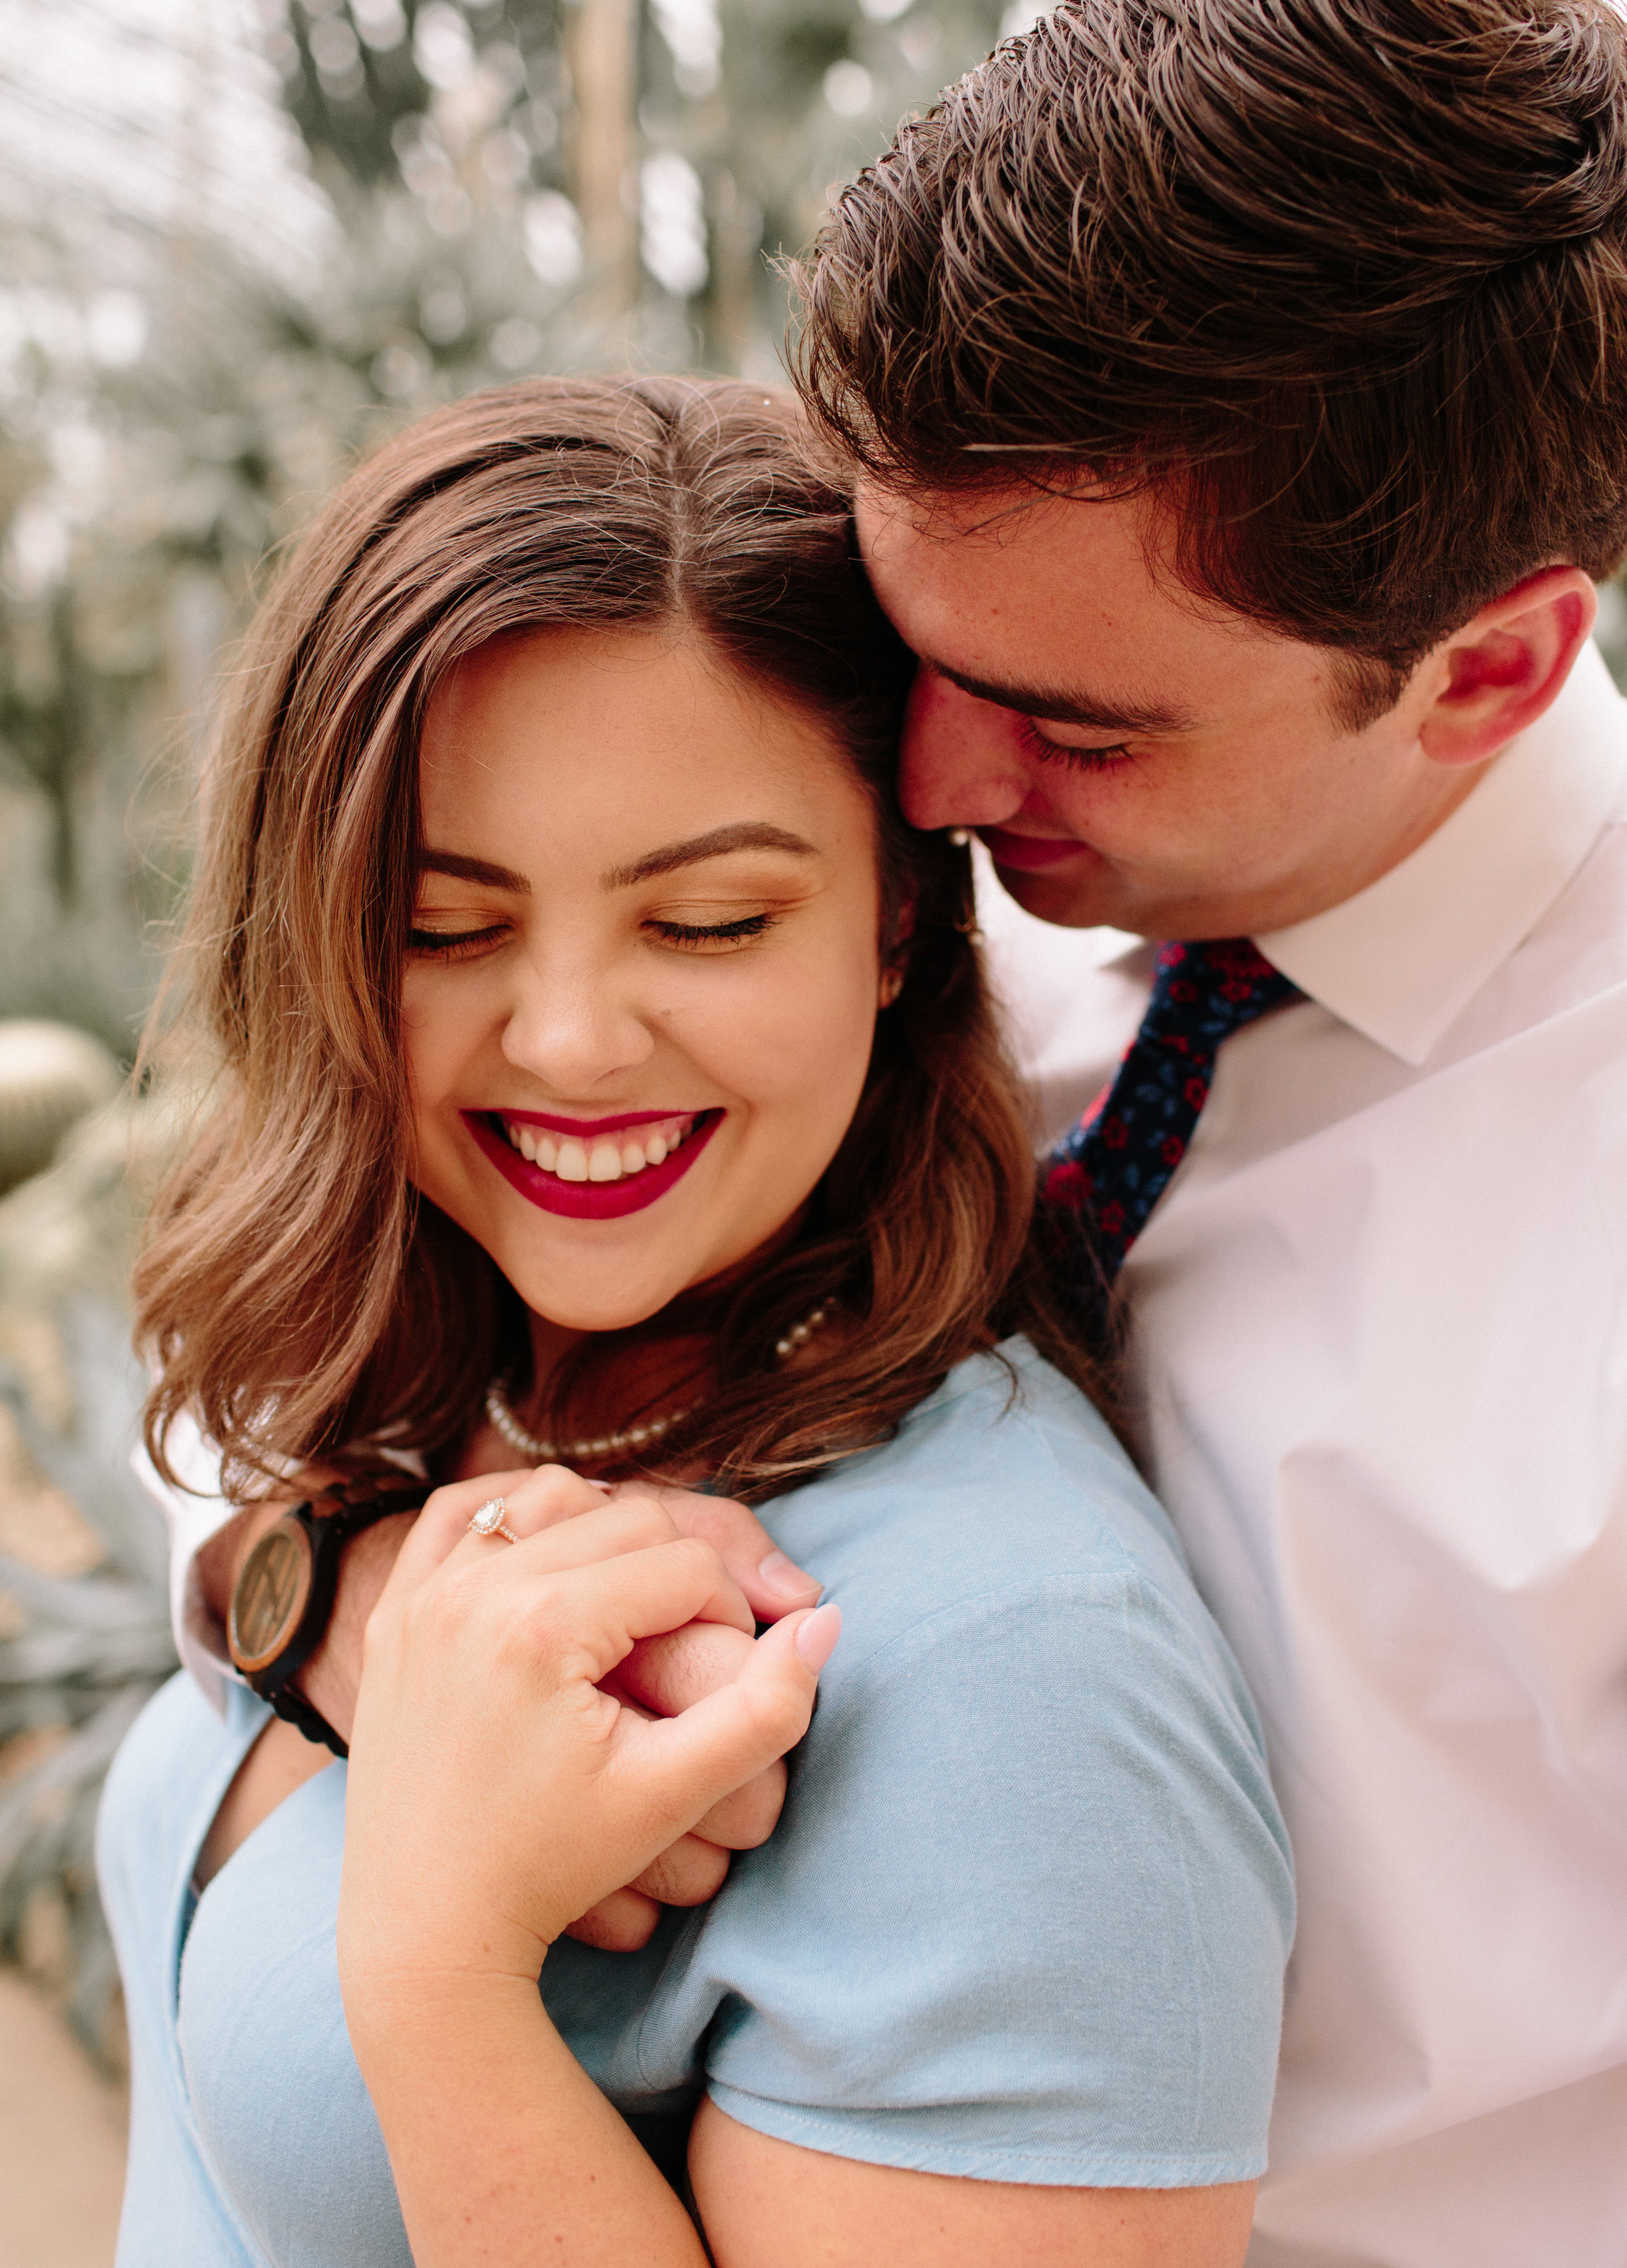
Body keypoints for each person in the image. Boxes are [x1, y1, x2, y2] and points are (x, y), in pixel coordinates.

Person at [97, 376, 1293, 2267]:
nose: (568, 1042)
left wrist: (436, 1968)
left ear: (896, 923)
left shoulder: (1015, 1671)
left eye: (710, 923)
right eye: (440, 924)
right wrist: (334, 1592)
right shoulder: (448, 1374)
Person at [789, 0, 1627, 2268]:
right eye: (909, 653)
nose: (938, 786)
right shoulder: (895, 898)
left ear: (1483, 673)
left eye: (1076, 722)